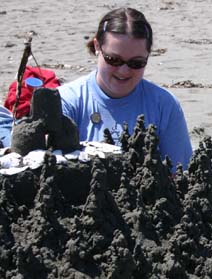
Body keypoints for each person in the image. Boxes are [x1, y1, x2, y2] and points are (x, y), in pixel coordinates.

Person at [58, 7, 193, 171]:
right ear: (97, 47)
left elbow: (181, 173)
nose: (123, 71)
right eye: (113, 60)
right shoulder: (67, 101)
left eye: (136, 63)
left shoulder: (164, 105)